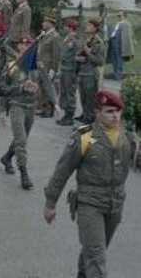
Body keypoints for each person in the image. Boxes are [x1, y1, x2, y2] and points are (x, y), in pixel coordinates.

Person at [43, 90, 138, 278]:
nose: (115, 116)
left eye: (118, 111)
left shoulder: (127, 136)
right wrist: (50, 203)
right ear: (97, 112)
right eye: (110, 111)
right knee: (96, 258)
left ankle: (82, 273)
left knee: (96, 250)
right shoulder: (84, 137)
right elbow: (62, 171)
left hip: (115, 203)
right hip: (90, 203)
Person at [0, 35, 39, 188]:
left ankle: (7, 157)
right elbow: (1, 89)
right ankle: (24, 173)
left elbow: (46, 83)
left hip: (31, 107)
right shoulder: (11, 65)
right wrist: (2, 110)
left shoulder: (35, 65)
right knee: (21, 140)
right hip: (16, 105)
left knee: (21, 139)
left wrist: (55, 104)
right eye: (24, 44)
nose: (27, 47)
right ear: (19, 47)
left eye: (29, 44)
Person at [76, 18, 105, 124]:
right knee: (83, 96)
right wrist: (78, 58)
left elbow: (100, 61)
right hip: (83, 72)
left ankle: (90, 116)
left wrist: (88, 53)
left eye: (89, 25)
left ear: (95, 28)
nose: (86, 27)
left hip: (91, 74)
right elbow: (80, 54)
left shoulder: (98, 42)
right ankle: (85, 113)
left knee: (90, 98)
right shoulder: (88, 40)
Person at [57, 19, 83, 126]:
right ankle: (66, 114)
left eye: (66, 26)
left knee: (70, 92)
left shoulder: (74, 38)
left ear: (70, 27)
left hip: (70, 69)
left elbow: (77, 55)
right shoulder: (68, 38)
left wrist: (74, 72)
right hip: (64, 68)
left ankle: (69, 116)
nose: (64, 28)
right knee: (64, 91)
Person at [106, 11, 135, 80]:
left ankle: (118, 74)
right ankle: (115, 73)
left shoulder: (127, 24)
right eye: (118, 16)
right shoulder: (116, 24)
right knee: (114, 59)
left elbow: (128, 36)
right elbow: (112, 32)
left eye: (120, 16)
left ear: (124, 16)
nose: (118, 17)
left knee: (120, 59)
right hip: (113, 42)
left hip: (120, 44)